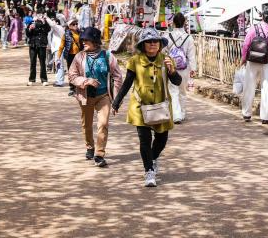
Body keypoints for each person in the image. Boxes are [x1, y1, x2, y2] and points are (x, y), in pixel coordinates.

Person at [111, 28, 181, 187]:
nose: (153, 44)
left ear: (160, 44)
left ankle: (153, 158)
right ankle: (149, 171)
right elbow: (127, 83)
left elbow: (177, 82)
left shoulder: (166, 60)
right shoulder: (134, 61)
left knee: (162, 140)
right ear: (143, 45)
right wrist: (116, 102)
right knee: (144, 140)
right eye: (149, 42)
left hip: (161, 106)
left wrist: (172, 70)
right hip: (140, 107)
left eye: (156, 41)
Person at [67, 27, 123, 167]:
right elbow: (72, 76)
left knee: (103, 124)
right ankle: (89, 147)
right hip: (85, 96)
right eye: (83, 40)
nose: (84, 42)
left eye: (87, 40)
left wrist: (116, 100)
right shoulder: (79, 56)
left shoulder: (107, 56)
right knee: (87, 124)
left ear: (95, 42)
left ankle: (99, 154)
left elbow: (117, 77)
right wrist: (86, 81)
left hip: (103, 96)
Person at [164, 13, 196, 124]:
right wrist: (193, 69)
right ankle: (182, 114)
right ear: (184, 23)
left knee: (173, 91)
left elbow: (164, 52)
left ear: (173, 23)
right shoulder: (189, 38)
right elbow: (191, 55)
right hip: (184, 68)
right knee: (183, 91)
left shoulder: (168, 36)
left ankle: (176, 115)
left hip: (171, 67)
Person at [58, 17, 82, 95]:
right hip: (70, 56)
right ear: (69, 26)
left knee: (79, 71)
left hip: (79, 55)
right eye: (73, 24)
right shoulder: (66, 35)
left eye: (76, 24)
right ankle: (72, 88)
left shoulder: (80, 33)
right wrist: (58, 57)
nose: (75, 25)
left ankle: (78, 87)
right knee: (71, 72)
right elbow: (61, 46)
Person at [26, 11, 52, 85]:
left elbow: (48, 29)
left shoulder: (44, 24)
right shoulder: (31, 22)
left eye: (40, 15)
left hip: (42, 45)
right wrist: (30, 29)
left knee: (42, 63)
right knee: (32, 62)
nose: (39, 17)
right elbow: (28, 34)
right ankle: (31, 79)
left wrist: (45, 21)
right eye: (37, 15)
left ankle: (44, 80)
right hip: (33, 45)